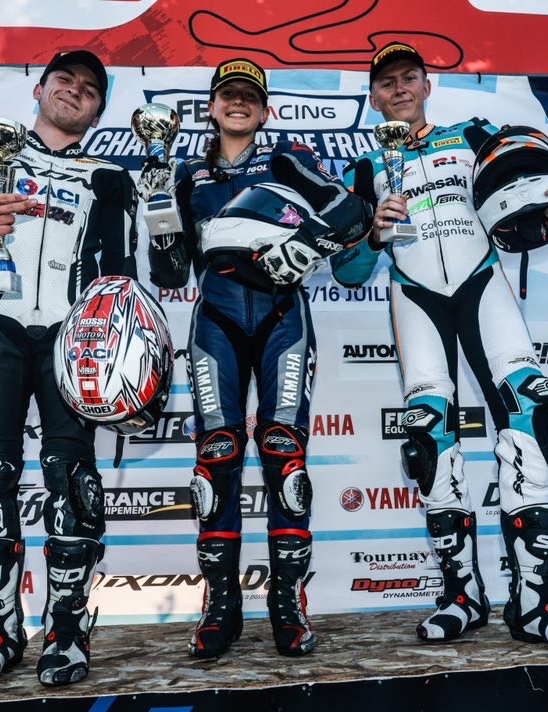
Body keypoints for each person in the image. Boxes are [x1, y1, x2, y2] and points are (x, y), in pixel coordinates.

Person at [331, 42, 548, 658]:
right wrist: (373, 234)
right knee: (429, 435)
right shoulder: (364, 169)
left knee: (529, 414)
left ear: (426, 85)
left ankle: (537, 604)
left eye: (409, 77)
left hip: (482, 285)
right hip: (416, 298)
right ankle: (461, 595)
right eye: (387, 82)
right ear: (373, 97)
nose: (399, 88)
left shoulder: (471, 134)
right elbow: (347, 272)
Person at [0, 50, 137, 689]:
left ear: (98, 110)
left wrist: (123, 357)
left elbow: (122, 279)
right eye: (64, 79)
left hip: (75, 339)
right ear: (38, 89)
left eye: (89, 88)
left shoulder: (110, 178)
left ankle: (67, 632)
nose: (75, 91)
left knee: (73, 478)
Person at [142, 58, 372, 659]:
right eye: (229, 94)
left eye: (249, 95)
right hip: (214, 322)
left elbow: (352, 212)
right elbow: (171, 273)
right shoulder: (185, 173)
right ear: (211, 107)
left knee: (283, 454)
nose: (238, 103)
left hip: (282, 318)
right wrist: (158, 213)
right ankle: (221, 606)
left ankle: (287, 604)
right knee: (216, 456)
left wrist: (306, 246)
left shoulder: (286, 159)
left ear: (265, 110)